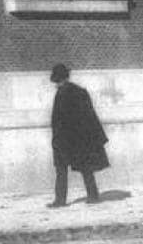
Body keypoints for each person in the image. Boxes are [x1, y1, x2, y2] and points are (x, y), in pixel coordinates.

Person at [48, 63, 110, 207]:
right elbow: (89, 116)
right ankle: (93, 195)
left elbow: (58, 120)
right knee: (86, 168)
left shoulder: (61, 93)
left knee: (61, 169)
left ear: (57, 79)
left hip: (64, 139)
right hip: (80, 138)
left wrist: (57, 139)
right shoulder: (80, 91)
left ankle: (60, 200)